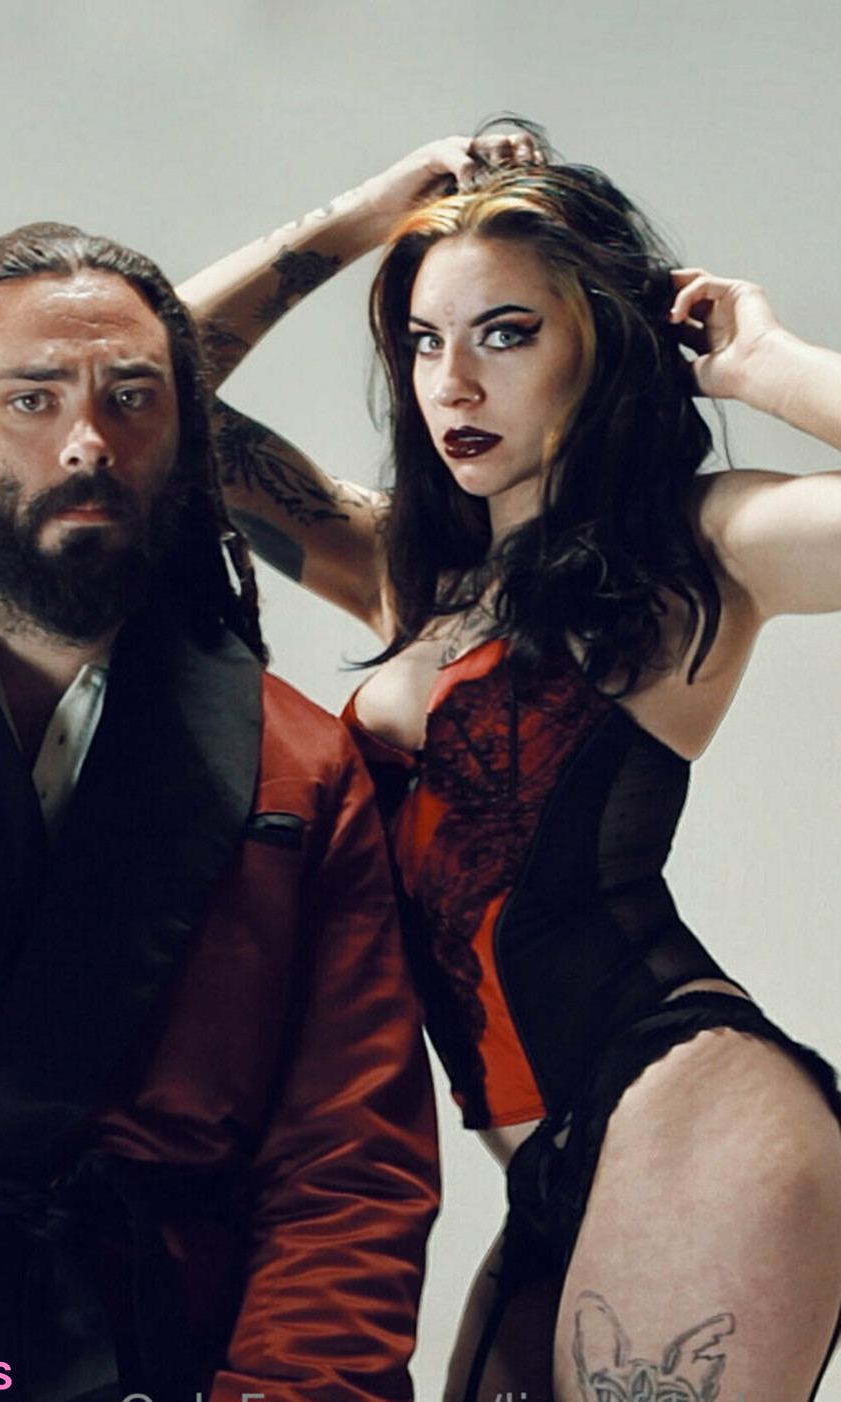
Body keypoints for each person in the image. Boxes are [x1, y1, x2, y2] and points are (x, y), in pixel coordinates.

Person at [179, 127, 841, 1400]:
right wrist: (371, 212)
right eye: (424, 341)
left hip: (687, 1109)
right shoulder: (410, 577)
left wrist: (767, 366)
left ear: (602, 342)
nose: (456, 385)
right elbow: (146, 387)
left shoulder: (695, 552)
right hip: (548, 1172)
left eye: (507, 334)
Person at [0, 224, 440, 1402]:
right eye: (32, 399)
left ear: (185, 444)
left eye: (133, 400)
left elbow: (350, 1167)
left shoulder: (298, 762)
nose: (88, 443)